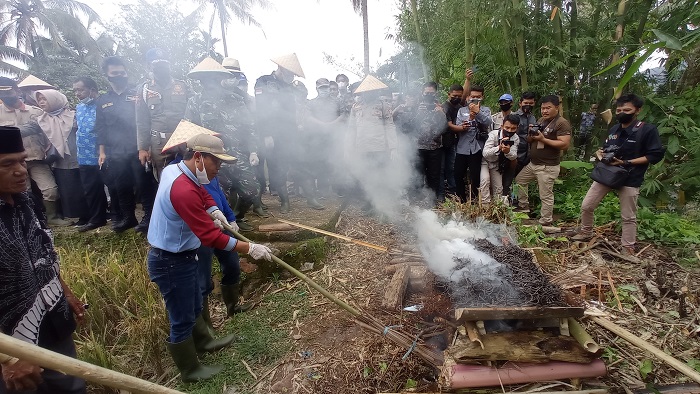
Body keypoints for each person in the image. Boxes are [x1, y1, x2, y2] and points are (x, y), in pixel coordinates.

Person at [147, 133, 273, 383]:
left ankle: (204, 343)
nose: (219, 168)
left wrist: (214, 209)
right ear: (198, 157)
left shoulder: (178, 171)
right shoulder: (181, 189)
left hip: (184, 255)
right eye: (216, 162)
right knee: (181, 316)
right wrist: (250, 248)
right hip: (169, 260)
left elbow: (202, 193)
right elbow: (211, 237)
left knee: (194, 304)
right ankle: (190, 371)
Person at [0, 126, 87, 394]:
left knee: (71, 386)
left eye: (23, 160)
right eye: (7, 164)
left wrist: (65, 292)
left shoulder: (28, 200)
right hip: (10, 341)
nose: (21, 170)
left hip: (52, 318)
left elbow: (44, 255)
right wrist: (8, 357)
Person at [571, 94, 664, 254]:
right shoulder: (614, 129)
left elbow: (654, 155)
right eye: (619, 109)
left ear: (637, 110)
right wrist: (601, 153)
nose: (622, 112)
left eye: (627, 109)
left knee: (628, 216)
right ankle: (586, 231)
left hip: (630, 176)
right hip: (607, 174)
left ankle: (628, 247)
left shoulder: (647, 130)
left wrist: (627, 162)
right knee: (587, 205)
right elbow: (607, 148)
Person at [186, 58, 266, 231]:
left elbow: (249, 127)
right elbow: (189, 130)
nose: (209, 83)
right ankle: (223, 229)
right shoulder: (195, 101)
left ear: (218, 78)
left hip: (237, 154)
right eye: (205, 79)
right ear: (200, 81)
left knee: (251, 190)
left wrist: (253, 151)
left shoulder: (236, 99)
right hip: (211, 158)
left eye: (213, 78)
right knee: (217, 196)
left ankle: (237, 216)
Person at [96, 56, 155, 233]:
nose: (120, 75)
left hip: (138, 149)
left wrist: (147, 146)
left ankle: (149, 218)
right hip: (115, 152)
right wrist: (102, 152)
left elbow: (147, 121)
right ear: (107, 75)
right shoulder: (103, 100)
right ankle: (128, 217)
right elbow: (101, 128)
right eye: (115, 73)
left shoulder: (138, 94)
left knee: (144, 184)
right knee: (121, 185)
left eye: (122, 72)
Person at [0, 77, 69, 226]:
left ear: (17, 90)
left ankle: (52, 218)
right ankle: (30, 221)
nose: (5, 95)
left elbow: (49, 132)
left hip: (37, 158)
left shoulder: (36, 111)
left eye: (9, 91)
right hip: (11, 163)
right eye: (2, 93)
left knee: (50, 190)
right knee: (23, 193)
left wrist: (49, 148)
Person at [135, 49, 191, 233]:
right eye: (155, 63)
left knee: (189, 177)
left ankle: (190, 217)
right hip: (159, 143)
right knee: (164, 181)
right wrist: (143, 148)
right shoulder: (144, 90)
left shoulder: (183, 86)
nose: (159, 65)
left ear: (169, 64)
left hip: (184, 141)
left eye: (163, 61)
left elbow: (192, 113)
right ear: (150, 67)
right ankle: (171, 220)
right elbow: (141, 120)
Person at [254, 53, 305, 213]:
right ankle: (258, 203)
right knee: (263, 167)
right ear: (281, 69)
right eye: (290, 73)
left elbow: (291, 112)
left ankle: (284, 200)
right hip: (268, 132)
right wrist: (267, 134)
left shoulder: (290, 87)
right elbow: (261, 110)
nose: (292, 77)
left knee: (281, 165)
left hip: (286, 133)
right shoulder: (263, 81)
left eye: (293, 75)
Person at [514, 95, 571, 225]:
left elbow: (564, 144)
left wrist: (543, 139)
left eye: (548, 108)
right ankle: (524, 207)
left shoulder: (561, 123)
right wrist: (531, 134)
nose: (544, 111)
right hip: (534, 163)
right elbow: (530, 140)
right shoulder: (541, 120)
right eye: (542, 108)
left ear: (556, 108)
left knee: (545, 194)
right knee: (520, 180)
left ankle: (546, 220)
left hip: (547, 166)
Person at [34, 89, 89, 225]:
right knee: (70, 190)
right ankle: (79, 216)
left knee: (86, 187)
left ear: (55, 99)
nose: (41, 102)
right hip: (61, 162)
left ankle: (94, 213)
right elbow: (26, 129)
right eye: (39, 99)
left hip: (82, 158)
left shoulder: (74, 115)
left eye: (44, 99)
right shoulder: (42, 120)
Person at [346, 75, 398, 212]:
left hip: (379, 147)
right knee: (366, 175)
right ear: (362, 92)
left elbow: (389, 125)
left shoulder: (383, 105)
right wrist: (349, 146)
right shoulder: (356, 107)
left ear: (377, 91)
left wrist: (393, 148)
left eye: (372, 91)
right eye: (366, 92)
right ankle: (369, 201)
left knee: (379, 175)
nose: (369, 93)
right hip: (361, 147)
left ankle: (380, 202)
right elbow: (351, 128)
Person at [73, 77, 108, 232]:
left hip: (102, 153)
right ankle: (97, 218)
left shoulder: (103, 106)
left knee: (112, 185)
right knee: (91, 188)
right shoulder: (79, 108)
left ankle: (117, 215)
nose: (77, 93)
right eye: (75, 90)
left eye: (80, 90)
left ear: (92, 90)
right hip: (84, 155)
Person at [454, 85, 492, 202]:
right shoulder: (461, 110)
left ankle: (475, 201)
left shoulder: (485, 110)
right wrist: (470, 118)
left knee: (475, 177)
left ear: (482, 97)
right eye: (473, 96)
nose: (475, 99)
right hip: (462, 147)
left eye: (478, 97)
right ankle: (462, 201)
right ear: (468, 97)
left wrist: (478, 112)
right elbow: (460, 125)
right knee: (458, 175)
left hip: (477, 148)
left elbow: (488, 122)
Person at [411, 82, 447, 202]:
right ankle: (418, 201)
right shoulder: (415, 106)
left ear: (435, 93)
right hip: (418, 146)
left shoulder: (441, 107)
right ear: (422, 93)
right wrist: (418, 114)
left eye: (431, 93)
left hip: (435, 147)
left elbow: (446, 127)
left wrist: (441, 113)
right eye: (427, 93)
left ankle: (432, 201)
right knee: (418, 175)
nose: (429, 95)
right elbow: (410, 126)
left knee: (434, 176)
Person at [502, 91, 537, 200]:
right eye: (526, 103)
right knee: (508, 180)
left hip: (527, 155)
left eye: (531, 103)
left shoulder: (533, 118)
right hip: (513, 154)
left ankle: (515, 200)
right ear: (520, 103)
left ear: (534, 103)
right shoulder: (513, 117)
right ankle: (504, 202)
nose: (528, 105)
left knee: (518, 180)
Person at [480, 113, 520, 204]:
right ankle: (485, 207)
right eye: (507, 128)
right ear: (502, 126)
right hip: (486, 162)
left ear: (517, 128)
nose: (510, 130)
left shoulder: (516, 138)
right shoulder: (494, 134)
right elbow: (485, 153)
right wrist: (498, 148)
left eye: (513, 128)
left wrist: (507, 152)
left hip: (497, 164)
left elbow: (514, 156)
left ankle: (497, 208)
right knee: (484, 181)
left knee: (498, 188)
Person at [441, 84, 463, 197]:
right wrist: (464, 128)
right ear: (449, 94)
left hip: (455, 141)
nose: (457, 98)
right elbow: (449, 125)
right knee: (441, 168)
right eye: (454, 95)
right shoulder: (443, 107)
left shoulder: (460, 107)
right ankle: (440, 193)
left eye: (459, 96)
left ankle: (453, 190)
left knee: (451, 167)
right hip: (441, 141)